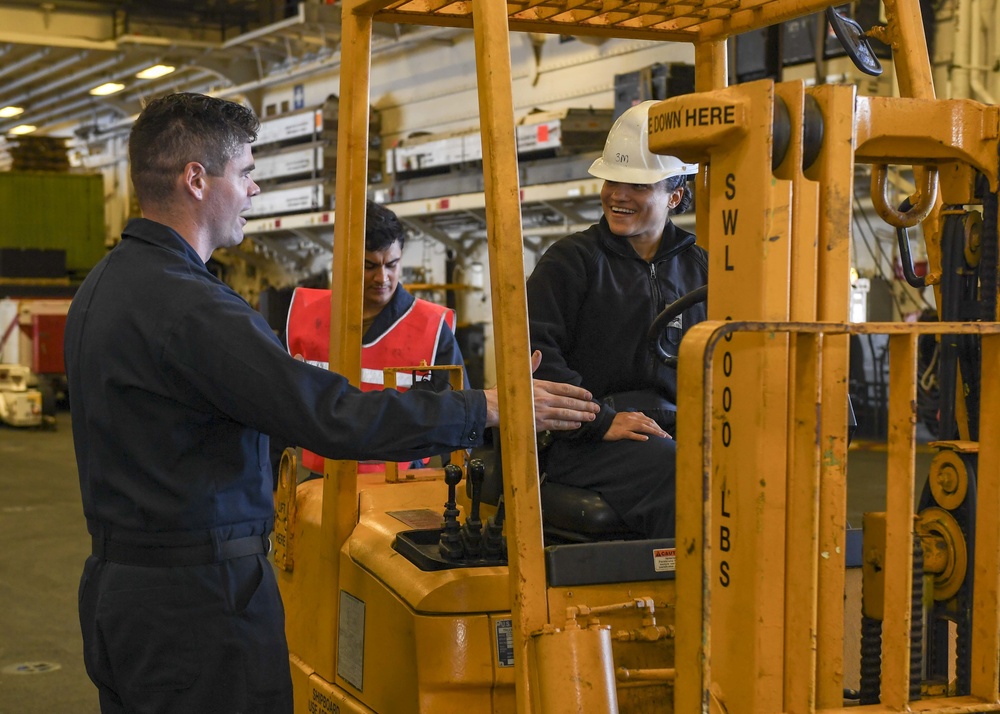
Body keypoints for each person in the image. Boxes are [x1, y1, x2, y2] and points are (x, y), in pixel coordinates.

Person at [64, 92, 598, 714]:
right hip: (199, 607)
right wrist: (482, 408)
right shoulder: (193, 311)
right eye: (246, 173)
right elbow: (331, 416)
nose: (255, 190)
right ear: (196, 180)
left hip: (119, 592)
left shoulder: (101, 288)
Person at [526, 100, 708, 539]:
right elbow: (535, 355)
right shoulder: (572, 261)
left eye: (637, 185)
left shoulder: (702, 267)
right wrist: (601, 421)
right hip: (583, 439)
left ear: (675, 196)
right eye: (612, 180)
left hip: (674, 424)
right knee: (683, 474)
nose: (617, 195)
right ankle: (693, 603)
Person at [285, 199, 468, 474]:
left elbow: (459, 412)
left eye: (391, 264)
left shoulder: (431, 328)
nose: (382, 278)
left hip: (401, 486)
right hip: (320, 484)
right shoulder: (307, 317)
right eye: (369, 266)